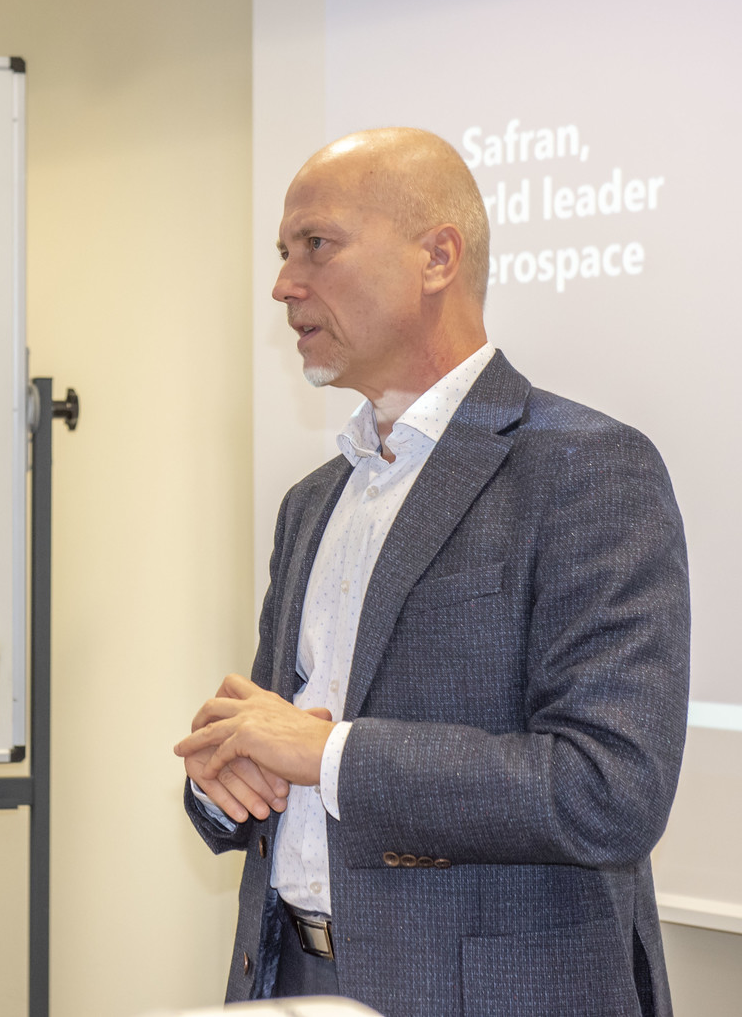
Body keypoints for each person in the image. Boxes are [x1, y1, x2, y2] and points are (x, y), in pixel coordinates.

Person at [174, 129, 688, 1015]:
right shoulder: (311, 502)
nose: (285, 284)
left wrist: (325, 753)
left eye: (316, 245)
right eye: (284, 252)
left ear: (437, 257)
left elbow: (609, 790)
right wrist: (225, 774)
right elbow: (276, 752)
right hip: (288, 977)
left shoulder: (587, 469)